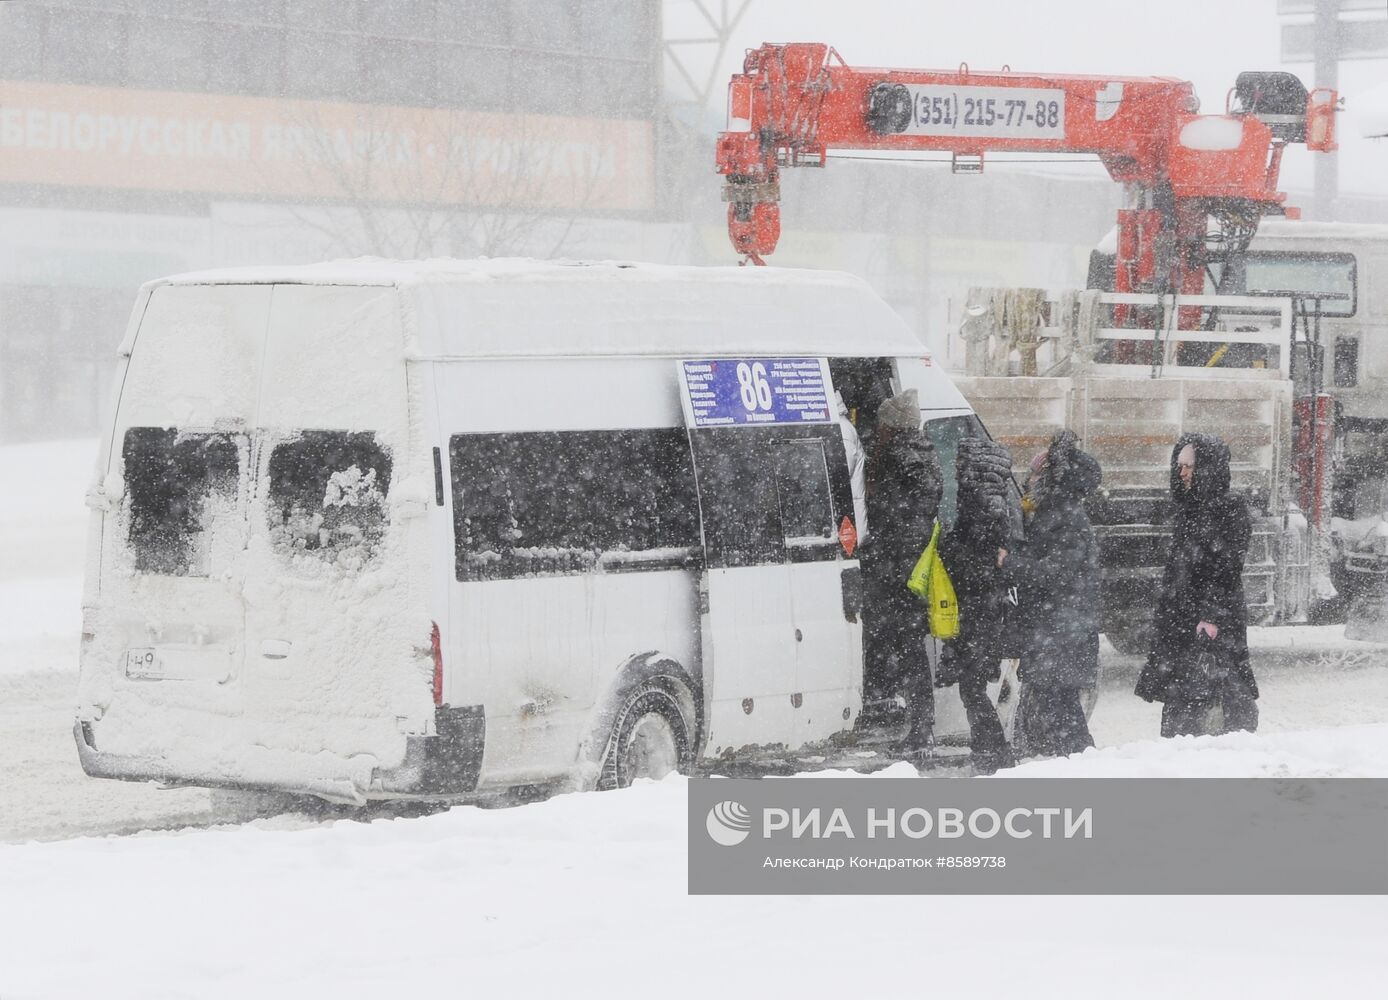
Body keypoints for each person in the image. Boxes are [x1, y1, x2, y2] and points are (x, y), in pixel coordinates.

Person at [1136, 434, 1259, 736]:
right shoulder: (1188, 509)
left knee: (1214, 684)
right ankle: (1183, 743)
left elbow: (1227, 569)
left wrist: (1211, 615)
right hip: (1183, 614)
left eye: (1190, 465)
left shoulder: (1230, 509)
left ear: (1209, 467)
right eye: (1179, 465)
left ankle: (1219, 742)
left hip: (1210, 617)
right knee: (1185, 686)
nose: (1183, 472)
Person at [1001, 430, 1102, 758]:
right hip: (1055, 630)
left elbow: (1054, 573)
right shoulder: (1051, 516)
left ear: (1048, 481)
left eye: (1032, 474)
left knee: (1063, 713)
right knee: (1056, 709)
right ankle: (1074, 766)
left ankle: (1086, 768)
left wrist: (1011, 562)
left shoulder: (1066, 520)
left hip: (1063, 633)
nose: (1026, 481)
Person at [860, 388, 943, 751]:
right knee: (911, 646)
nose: (878, 430)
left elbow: (887, 518)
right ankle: (919, 721)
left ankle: (920, 725)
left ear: (892, 426)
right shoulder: (927, 455)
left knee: (907, 647)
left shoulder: (895, 458)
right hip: (917, 569)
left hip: (898, 569)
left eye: (881, 424)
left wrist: (882, 558)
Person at [937, 435, 1017, 773]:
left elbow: (976, 560)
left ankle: (992, 749)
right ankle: (988, 747)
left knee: (971, 685)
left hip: (976, 606)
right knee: (972, 682)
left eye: (959, 463)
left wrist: (947, 548)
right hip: (983, 606)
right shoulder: (992, 500)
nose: (955, 468)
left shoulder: (979, 503)